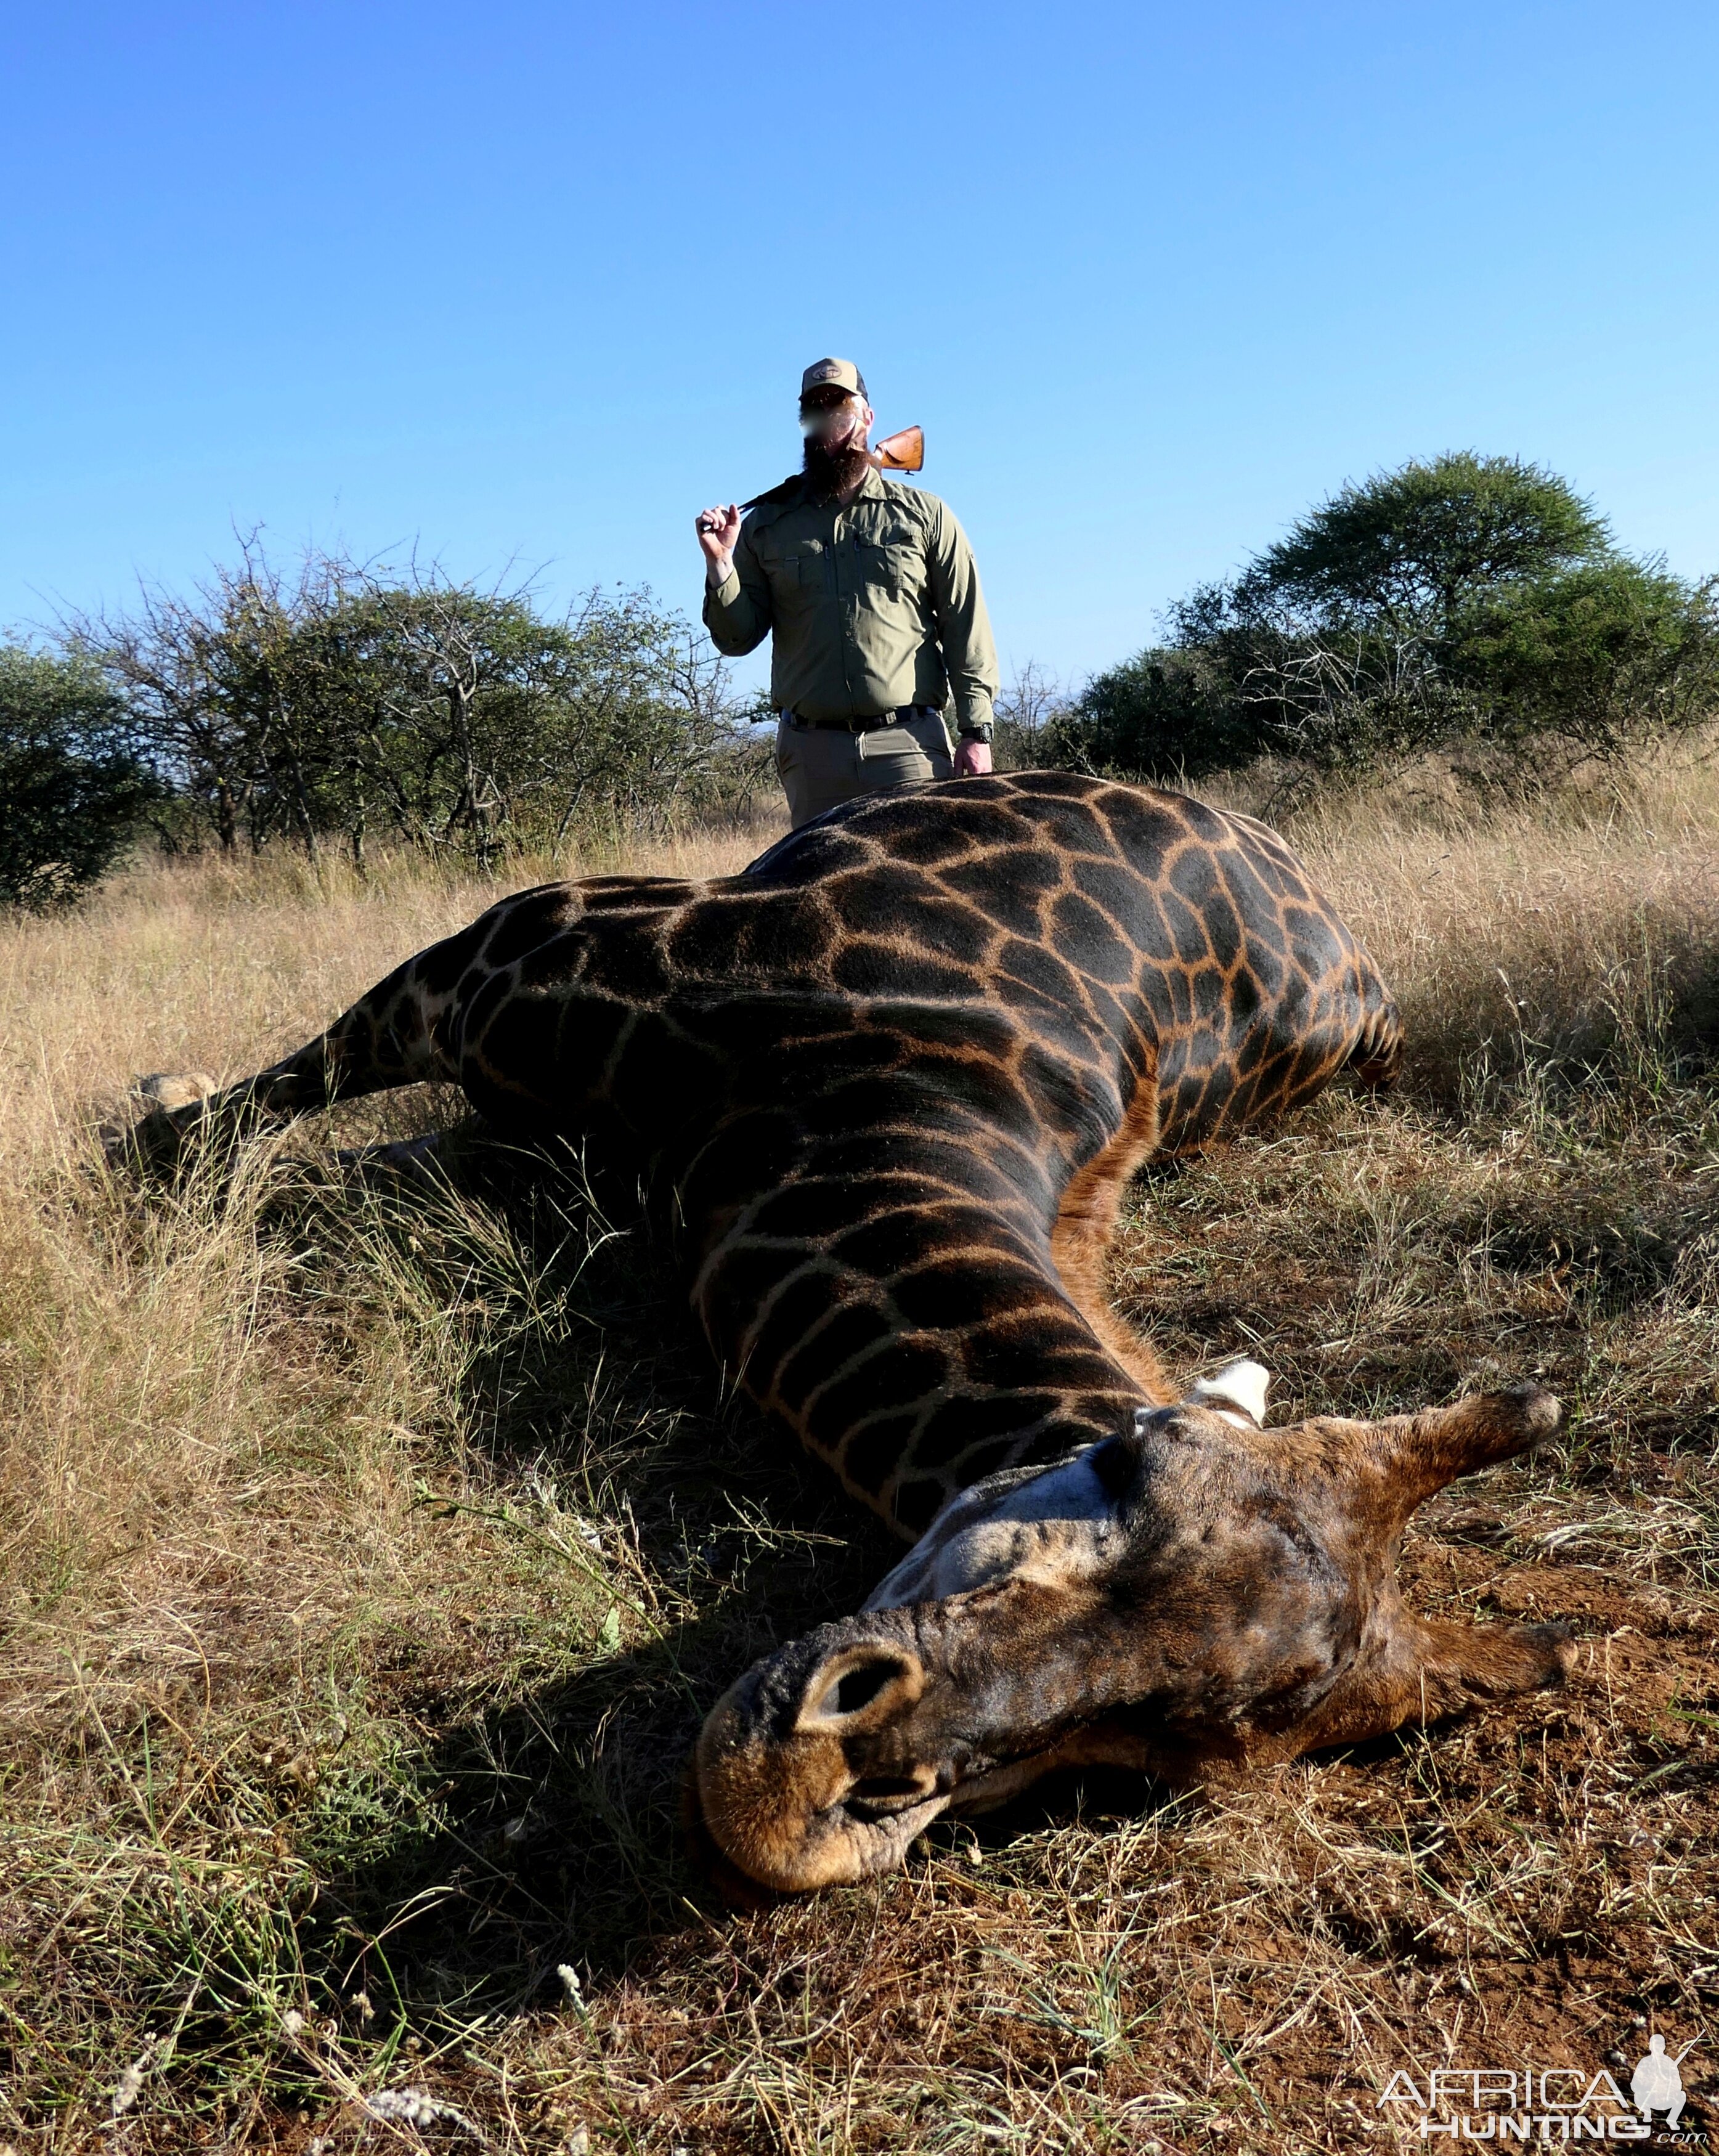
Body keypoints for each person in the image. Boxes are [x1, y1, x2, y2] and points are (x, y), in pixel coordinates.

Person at [696, 357, 998, 828]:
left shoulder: (925, 514)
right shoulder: (765, 525)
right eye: (813, 410)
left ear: (868, 417)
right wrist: (720, 565)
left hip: (908, 746)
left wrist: (976, 733)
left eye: (839, 407)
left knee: (918, 895)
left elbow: (967, 627)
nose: (826, 420)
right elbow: (735, 639)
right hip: (813, 757)